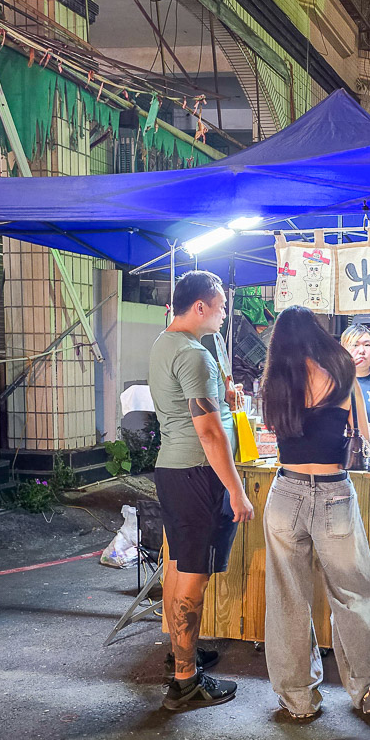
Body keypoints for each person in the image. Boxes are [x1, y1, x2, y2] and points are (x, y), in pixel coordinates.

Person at [260, 306, 370, 719]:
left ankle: (298, 699)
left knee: (287, 599)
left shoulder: (275, 381)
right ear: (317, 333)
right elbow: (364, 437)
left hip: (285, 493)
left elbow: (273, 431)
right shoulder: (342, 371)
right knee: (353, 593)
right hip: (334, 493)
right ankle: (368, 690)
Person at [149, 271, 254, 711]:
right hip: (198, 473)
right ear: (200, 307)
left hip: (173, 470)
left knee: (178, 565)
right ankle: (186, 681)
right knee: (194, 576)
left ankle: (181, 655)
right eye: (221, 307)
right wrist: (236, 490)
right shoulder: (194, 355)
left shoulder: (165, 343)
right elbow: (210, 434)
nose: (225, 314)